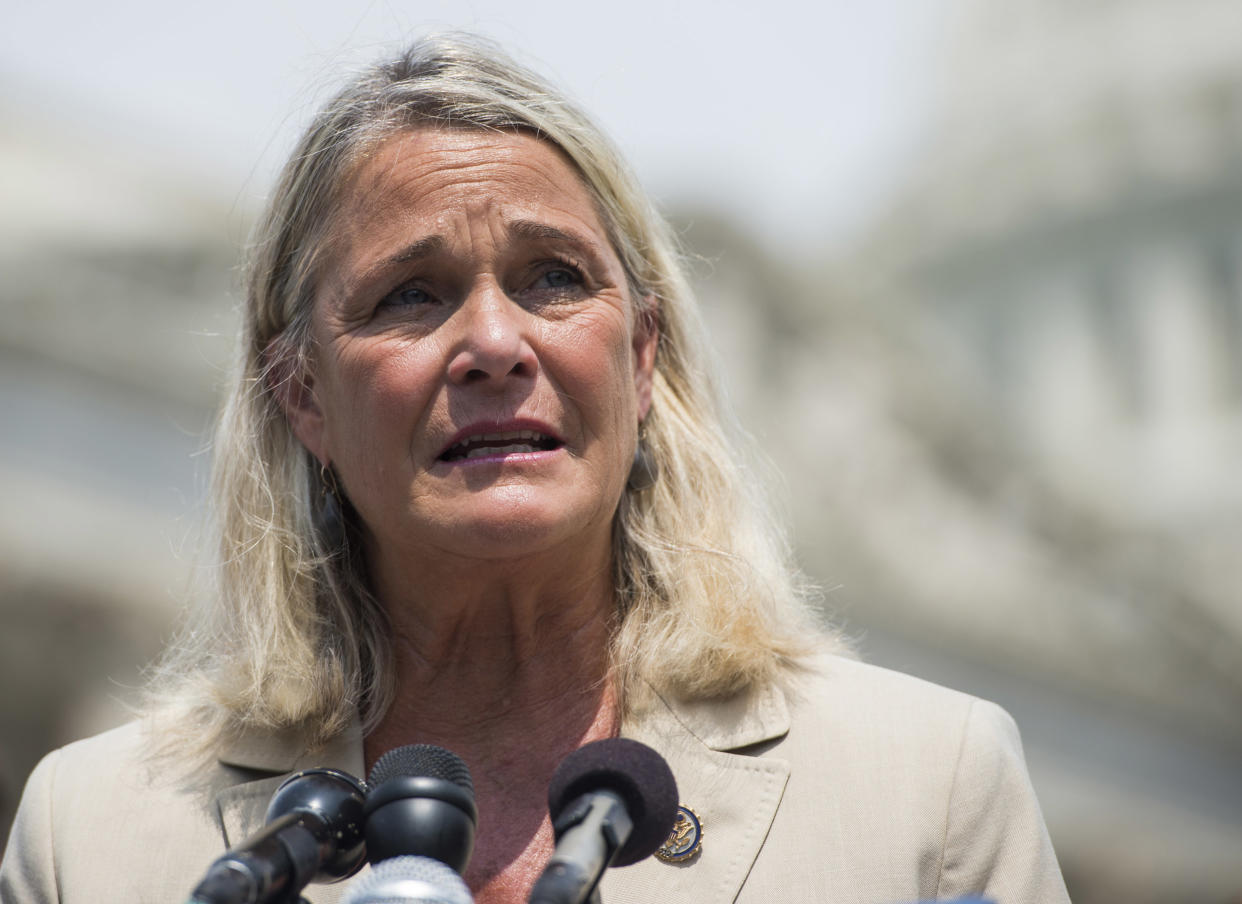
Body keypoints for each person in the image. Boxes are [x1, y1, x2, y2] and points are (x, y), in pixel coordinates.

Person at [0, 34, 1069, 904]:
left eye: (554, 278)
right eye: (411, 295)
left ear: (643, 357)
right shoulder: (93, 837)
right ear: (303, 395)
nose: (496, 344)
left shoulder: (929, 789)